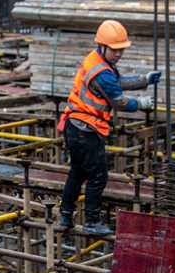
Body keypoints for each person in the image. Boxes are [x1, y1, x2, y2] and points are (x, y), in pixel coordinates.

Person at [57, 20, 161, 236]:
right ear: (103, 46)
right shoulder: (102, 72)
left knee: (77, 172)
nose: (119, 53)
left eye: (122, 49)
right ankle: (92, 221)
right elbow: (119, 101)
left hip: (75, 125)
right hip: (85, 129)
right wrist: (142, 103)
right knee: (98, 175)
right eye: (115, 49)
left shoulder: (99, 61)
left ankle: (66, 216)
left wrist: (145, 80)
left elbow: (119, 81)